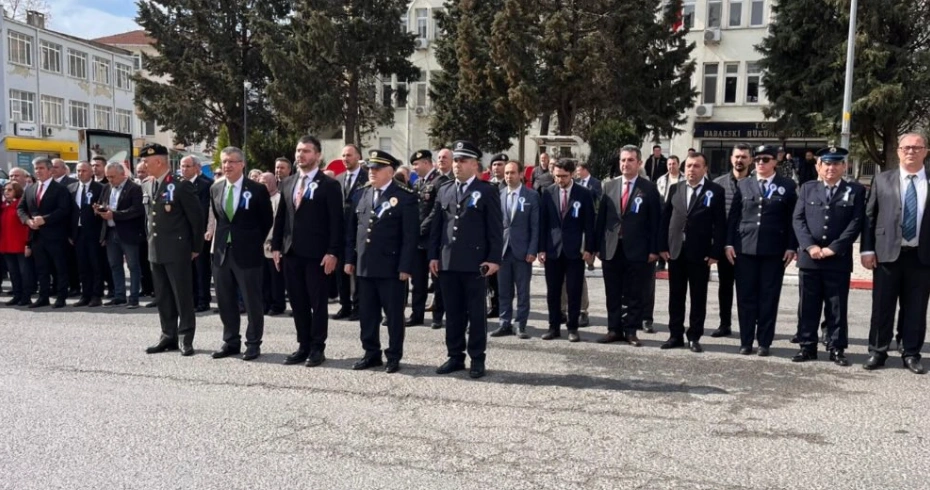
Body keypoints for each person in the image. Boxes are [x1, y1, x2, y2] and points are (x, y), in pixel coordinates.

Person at [429, 140, 503, 379]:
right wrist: (433, 255)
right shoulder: (445, 189)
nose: (457, 165)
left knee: (476, 313)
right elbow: (437, 227)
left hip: (475, 263)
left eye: (462, 161)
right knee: (453, 312)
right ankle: (455, 355)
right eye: (456, 160)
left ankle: (477, 358)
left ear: (474, 164)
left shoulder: (487, 190)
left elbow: (494, 228)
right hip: (449, 262)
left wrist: (493, 259)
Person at [861, 133, 930, 374]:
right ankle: (877, 351)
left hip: (922, 257)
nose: (911, 152)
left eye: (917, 147)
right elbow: (869, 217)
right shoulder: (882, 179)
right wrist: (866, 250)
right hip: (887, 254)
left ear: (925, 151)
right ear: (899, 151)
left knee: (916, 307)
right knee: (882, 305)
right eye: (906, 148)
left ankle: (910, 352)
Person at [272, 135, 343, 367]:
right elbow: (281, 217)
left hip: (318, 256)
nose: (300, 155)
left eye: (306, 151)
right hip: (291, 253)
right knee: (298, 303)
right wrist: (275, 247)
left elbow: (336, 222)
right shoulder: (288, 182)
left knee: (318, 303)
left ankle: (317, 348)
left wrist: (333, 252)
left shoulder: (330, 185)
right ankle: (303, 345)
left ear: (318, 155)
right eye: (298, 150)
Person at [345, 150, 417, 373]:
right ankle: (371, 352)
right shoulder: (362, 194)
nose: (371, 172)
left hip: (391, 268)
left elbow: (410, 237)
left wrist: (405, 266)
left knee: (394, 315)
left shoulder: (404, 197)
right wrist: (350, 259)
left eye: (377, 169)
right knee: (367, 314)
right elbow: (352, 232)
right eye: (370, 168)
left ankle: (394, 355)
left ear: (390, 171)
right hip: (365, 266)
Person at [790, 147, 864, 366]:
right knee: (808, 305)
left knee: (837, 305)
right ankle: (807, 346)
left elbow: (856, 222)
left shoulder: (855, 190)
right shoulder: (807, 188)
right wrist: (809, 246)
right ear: (818, 167)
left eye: (836, 164)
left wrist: (835, 247)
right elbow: (798, 219)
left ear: (844, 166)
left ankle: (836, 348)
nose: (831, 168)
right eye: (826, 164)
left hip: (837, 258)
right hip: (810, 258)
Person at [725, 145, 798, 356]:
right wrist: (729, 243)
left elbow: (793, 219)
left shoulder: (787, 186)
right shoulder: (745, 184)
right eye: (757, 159)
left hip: (773, 251)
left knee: (769, 297)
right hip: (745, 249)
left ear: (775, 162)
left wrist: (791, 246)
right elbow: (734, 217)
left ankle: (764, 341)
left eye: (766, 159)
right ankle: (746, 341)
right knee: (745, 297)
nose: (760, 163)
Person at [209, 147, 274, 361]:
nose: (227, 166)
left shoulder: (256, 189)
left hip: (247, 254)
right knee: (225, 300)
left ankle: (253, 343)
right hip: (221, 253)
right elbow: (220, 221)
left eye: (232, 162)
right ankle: (231, 341)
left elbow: (266, 221)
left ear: (242, 164)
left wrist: (252, 240)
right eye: (224, 162)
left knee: (251, 300)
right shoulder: (216, 189)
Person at [140, 143, 205, 356]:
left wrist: (195, 248)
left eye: (147, 162)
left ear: (159, 161)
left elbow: (196, 219)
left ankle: (186, 338)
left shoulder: (180, 185)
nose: (144, 165)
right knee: (163, 296)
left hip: (177, 249)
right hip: (155, 249)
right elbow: (150, 219)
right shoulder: (148, 185)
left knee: (182, 296)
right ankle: (168, 336)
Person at [658, 153, 726, 353]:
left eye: (696, 166)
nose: (691, 170)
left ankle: (694, 336)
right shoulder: (675, 188)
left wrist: (716, 251)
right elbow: (666, 218)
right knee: (675, 296)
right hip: (676, 251)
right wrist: (662, 246)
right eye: (688, 166)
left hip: (701, 253)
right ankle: (675, 335)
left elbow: (720, 224)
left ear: (705, 169)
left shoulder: (715, 191)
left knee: (698, 297)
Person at [595, 145, 662, 346]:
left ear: (639, 163)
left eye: (630, 160)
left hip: (638, 249)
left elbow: (655, 222)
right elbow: (602, 219)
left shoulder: (648, 188)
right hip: (612, 248)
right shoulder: (609, 186)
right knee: (612, 292)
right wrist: (597, 246)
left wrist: (654, 249)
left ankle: (631, 330)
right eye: (623, 160)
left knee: (635, 292)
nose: (625, 164)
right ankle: (613, 329)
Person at [538, 159, 595, 342]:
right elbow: (543, 223)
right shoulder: (548, 192)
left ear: (572, 174)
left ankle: (573, 327)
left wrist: (589, 249)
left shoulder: (584, 194)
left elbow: (589, 224)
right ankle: (553, 327)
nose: (560, 180)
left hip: (574, 250)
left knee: (574, 290)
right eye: (557, 176)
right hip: (553, 250)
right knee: (553, 291)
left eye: (563, 176)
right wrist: (541, 249)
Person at [491, 161, 539, 339]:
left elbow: (535, 226)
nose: (509, 176)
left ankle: (520, 324)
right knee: (503, 291)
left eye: (512, 173)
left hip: (522, 251)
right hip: (503, 251)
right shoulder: (500, 195)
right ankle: (504, 323)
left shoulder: (531, 196)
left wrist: (533, 249)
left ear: (521, 175)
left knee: (522, 291)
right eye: (506, 173)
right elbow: (496, 226)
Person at [17, 157, 71, 308]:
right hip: (37, 236)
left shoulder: (60, 189)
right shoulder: (30, 189)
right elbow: (21, 209)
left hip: (55, 235)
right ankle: (43, 297)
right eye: (35, 169)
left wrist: (45, 219)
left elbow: (64, 210)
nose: (38, 171)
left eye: (41, 168)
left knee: (59, 268)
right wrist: (27, 221)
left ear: (50, 170)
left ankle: (61, 297)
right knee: (42, 268)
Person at [710, 143, 752, 338]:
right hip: (726, 246)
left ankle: (750, 326)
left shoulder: (756, 184)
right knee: (725, 287)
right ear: (731, 159)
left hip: (749, 246)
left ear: (750, 160)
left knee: (748, 290)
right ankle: (724, 323)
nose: (740, 160)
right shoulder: (718, 184)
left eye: (744, 157)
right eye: (737, 156)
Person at [407, 150, 447, 327]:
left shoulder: (440, 181)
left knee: (437, 279)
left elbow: (436, 211)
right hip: (418, 240)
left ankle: (438, 316)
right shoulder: (417, 183)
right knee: (418, 280)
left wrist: (421, 228)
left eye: (416, 164)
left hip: (433, 239)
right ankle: (417, 314)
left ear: (426, 163)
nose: (414, 168)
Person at [97, 162, 146, 308]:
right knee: (114, 265)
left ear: (122, 174)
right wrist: (99, 209)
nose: (110, 180)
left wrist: (115, 215)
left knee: (133, 266)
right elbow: (103, 203)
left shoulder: (134, 188)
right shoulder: (106, 187)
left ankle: (134, 298)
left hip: (128, 232)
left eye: (112, 176)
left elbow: (137, 210)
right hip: (110, 232)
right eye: (108, 177)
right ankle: (119, 296)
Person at [333, 144, 368, 321]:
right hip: (340, 231)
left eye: (349, 155)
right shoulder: (338, 179)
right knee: (340, 270)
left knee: (357, 270)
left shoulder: (367, 178)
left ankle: (359, 306)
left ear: (358, 157)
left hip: (358, 230)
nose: (346, 159)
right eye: (343, 155)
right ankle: (345, 305)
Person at [180, 155, 215, 313]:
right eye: (182, 166)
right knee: (187, 269)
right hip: (182, 234)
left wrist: (208, 230)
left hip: (200, 233)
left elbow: (206, 210)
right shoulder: (178, 184)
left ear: (197, 168)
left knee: (201, 269)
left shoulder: (206, 185)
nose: (184, 169)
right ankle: (191, 299)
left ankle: (203, 299)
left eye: (187, 166)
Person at [68, 162, 105, 307]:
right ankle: (85, 294)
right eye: (78, 171)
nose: (80, 173)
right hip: (77, 232)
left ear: (91, 172)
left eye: (83, 170)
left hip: (94, 232)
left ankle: (97, 295)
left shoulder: (100, 188)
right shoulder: (71, 188)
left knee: (96, 265)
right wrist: (70, 233)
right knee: (82, 265)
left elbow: (104, 208)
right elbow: (69, 212)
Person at [485, 152, 509, 318]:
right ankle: (494, 305)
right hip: (489, 237)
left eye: (501, 164)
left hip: (505, 237)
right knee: (491, 277)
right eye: (495, 164)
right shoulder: (486, 186)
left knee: (505, 277)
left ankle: (505, 306)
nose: (497, 167)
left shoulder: (510, 187)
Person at [260, 172, 286, 316]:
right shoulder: (260, 198)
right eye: (261, 182)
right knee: (263, 278)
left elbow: (278, 222)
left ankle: (278, 304)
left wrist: (274, 241)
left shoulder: (278, 198)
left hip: (272, 244)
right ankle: (265, 303)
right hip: (260, 245)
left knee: (275, 278)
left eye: (265, 182)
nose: (263, 185)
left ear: (273, 182)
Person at [1, 181, 32, 306]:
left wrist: (28, 244)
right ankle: (17, 295)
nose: (6, 192)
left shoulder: (21, 205)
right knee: (13, 273)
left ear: (17, 191)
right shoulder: (3, 206)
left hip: (20, 245)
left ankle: (26, 297)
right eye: (5, 190)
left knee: (24, 272)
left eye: (10, 190)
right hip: (6, 245)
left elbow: (27, 227)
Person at [134, 162, 155, 302]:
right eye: (139, 172)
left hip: (153, 232)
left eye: (143, 171)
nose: (141, 175)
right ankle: (146, 288)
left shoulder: (153, 186)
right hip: (140, 231)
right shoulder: (137, 188)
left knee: (153, 263)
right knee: (142, 262)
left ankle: (155, 290)